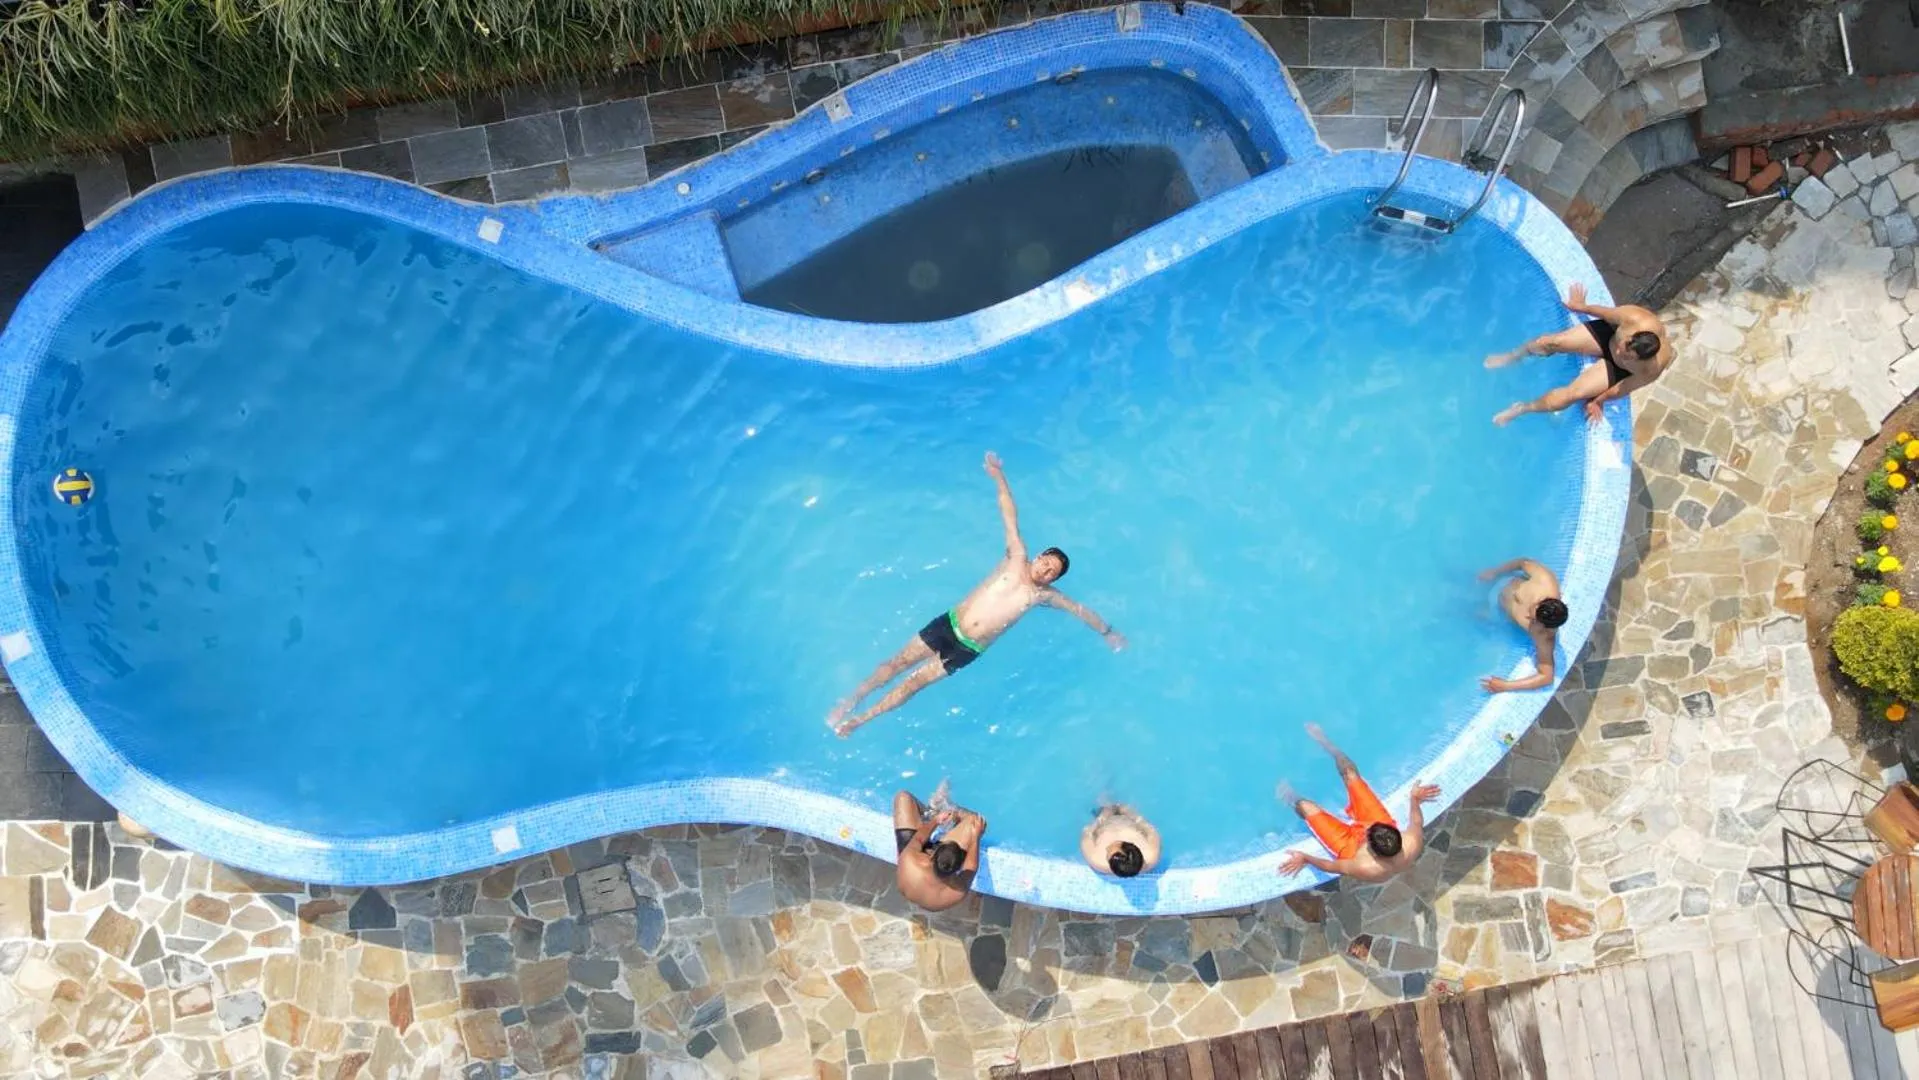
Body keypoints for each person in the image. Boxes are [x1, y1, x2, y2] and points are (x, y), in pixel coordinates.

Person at [830, 451, 1125, 736]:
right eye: (1046, 563)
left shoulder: (1043, 595)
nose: (1045, 571)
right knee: (896, 664)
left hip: (968, 649)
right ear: (1039, 556)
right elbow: (1009, 513)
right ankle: (850, 700)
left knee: (912, 685)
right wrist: (999, 476)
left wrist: (1107, 632)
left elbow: (1078, 609)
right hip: (949, 624)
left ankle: (861, 720)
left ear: (1053, 580)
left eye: (1052, 573)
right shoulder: (1016, 556)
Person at [1486, 282, 1673, 426]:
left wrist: (1598, 401)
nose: (1619, 352)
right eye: (1623, 346)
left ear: (1640, 360)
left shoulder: (1650, 369)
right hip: (1607, 336)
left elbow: (1623, 387)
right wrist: (1581, 306)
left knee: (1572, 395)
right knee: (1550, 342)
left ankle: (1522, 408)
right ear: (1631, 336)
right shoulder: (1635, 319)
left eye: (1627, 357)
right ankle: (1511, 356)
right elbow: (1606, 313)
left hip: (1616, 369)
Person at [1276, 724, 1440, 883]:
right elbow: (1416, 822)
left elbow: (1330, 866)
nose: (1367, 829)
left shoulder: (1364, 867)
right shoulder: (1412, 843)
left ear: (1373, 853)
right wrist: (1414, 799)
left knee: (1305, 807)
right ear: (1396, 836)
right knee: (1351, 774)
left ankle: (1288, 796)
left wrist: (1305, 858)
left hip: (1349, 847)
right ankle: (1326, 743)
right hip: (1377, 824)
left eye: (1369, 832)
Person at [1478, 557, 1567, 693]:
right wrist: (1496, 572)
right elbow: (1522, 563)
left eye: (1534, 620)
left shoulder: (1543, 635)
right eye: (1534, 609)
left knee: (1466, 612)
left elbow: (1546, 676)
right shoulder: (1545, 581)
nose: (1529, 616)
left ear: (1544, 626)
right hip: (1502, 581)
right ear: (1541, 601)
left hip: (1496, 611)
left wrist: (1505, 686)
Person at [892, 787, 986, 912]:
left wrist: (936, 820)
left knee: (903, 797)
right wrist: (976, 837)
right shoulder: (955, 891)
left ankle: (935, 812)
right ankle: (953, 816)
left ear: (932, 854)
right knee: (975, 821)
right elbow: (972, 867)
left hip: (913, 870)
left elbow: (918, 839)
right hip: (928, 886)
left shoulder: (909, 860)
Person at [1080, 802, 1161, 878]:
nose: (1107, 849)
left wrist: (1101, 818)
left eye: (1108, 854)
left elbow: (1087, 833)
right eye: (1110, 850)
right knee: (1126, 806)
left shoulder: (1096, 859)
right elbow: (1150, 829)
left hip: (1104, 824)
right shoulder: (1151, 854)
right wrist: (1134, 816)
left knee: (1103, 804)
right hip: (1129, 821)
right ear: (1129, 844)